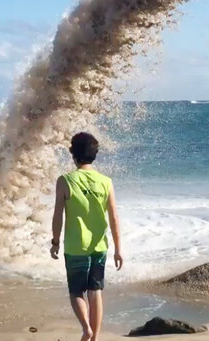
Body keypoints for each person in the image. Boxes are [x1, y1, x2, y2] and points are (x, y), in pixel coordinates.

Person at [50, 132, 123, 341]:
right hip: (99, 246)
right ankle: (95, 337)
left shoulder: (65, 181)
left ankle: (86, 329)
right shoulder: (106, 182)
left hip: (75, 247)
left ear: (73, 154)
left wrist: (55, 242)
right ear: (94, 155)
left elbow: (58, 216)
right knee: (96, 291)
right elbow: (114, 217)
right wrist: (118, 249)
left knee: (76, 293)